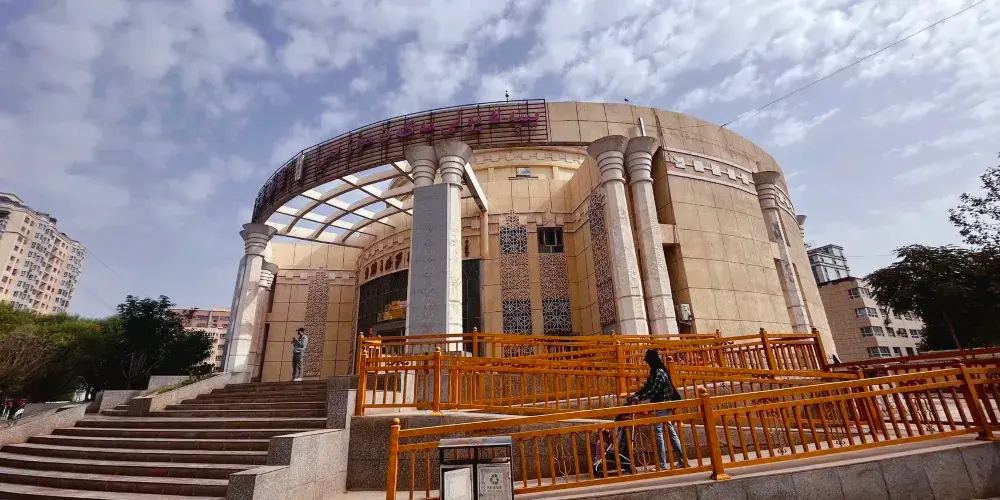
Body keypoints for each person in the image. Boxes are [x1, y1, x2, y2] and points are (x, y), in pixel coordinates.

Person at [630, 348, 686, 470]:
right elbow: (647, 386)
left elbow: (653, 390)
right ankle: (682, 461)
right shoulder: (655, 372)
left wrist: (639, 397)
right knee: (670, 432)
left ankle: (662, 465)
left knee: (658, 432)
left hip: (662, 404)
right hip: (661, 405)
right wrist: (636, 394)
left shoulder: (659, 373)